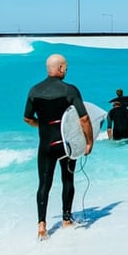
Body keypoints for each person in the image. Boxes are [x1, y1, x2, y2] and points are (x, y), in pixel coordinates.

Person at [23, 53, 92, 241]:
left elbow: (27, 118)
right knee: (67, 179)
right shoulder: (70, 90)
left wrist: (44, 126)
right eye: (66, 67)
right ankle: (66, 219)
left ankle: (42, 227)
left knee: (44, 184)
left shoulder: (34, 90)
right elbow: (84, 118)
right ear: (60, 68)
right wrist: (89, 141)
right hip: (65, 145)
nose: (66, 70)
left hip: (45, 145)